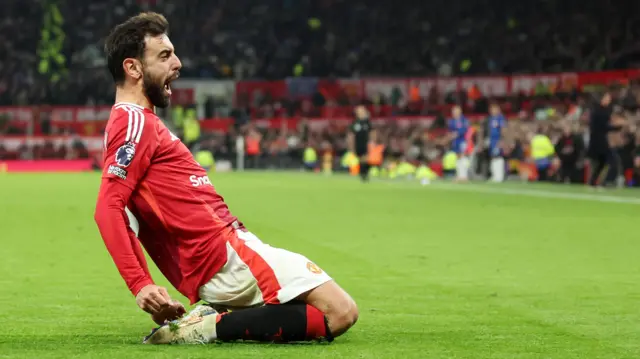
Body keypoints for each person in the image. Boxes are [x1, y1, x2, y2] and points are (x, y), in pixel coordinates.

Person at [94, 12, 358, 345]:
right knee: (341, 312)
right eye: (164, 56)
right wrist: (140, 284)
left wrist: (145, 281)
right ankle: (205, 328)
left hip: (226, 254)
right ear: (132, 68)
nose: (177, 63)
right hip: (227, 254)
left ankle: (213, 317)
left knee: (309, 309)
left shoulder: (134, 123)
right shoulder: (134, 123)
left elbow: (128, 212)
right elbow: (109, 209)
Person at [587, 91, 619, 188]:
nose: (608, 100)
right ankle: (607, 181)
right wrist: (617, 127)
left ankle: (593, 181)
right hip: (599, 141)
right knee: (613, 160)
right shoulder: (599, 111)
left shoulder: (600, 110)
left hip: (598, 139)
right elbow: (602, 127)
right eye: (606, 98)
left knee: (602, 162)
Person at [347, 105, 375, 182]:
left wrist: (372, 142)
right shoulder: (355, 123)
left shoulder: (367, 122)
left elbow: (372, 132)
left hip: (365, 144)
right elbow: (351, 135)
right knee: (360, 159)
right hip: (357, 144)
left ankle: (364, 174)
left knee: (364, 159)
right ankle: (362, 173)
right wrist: (351, 146)